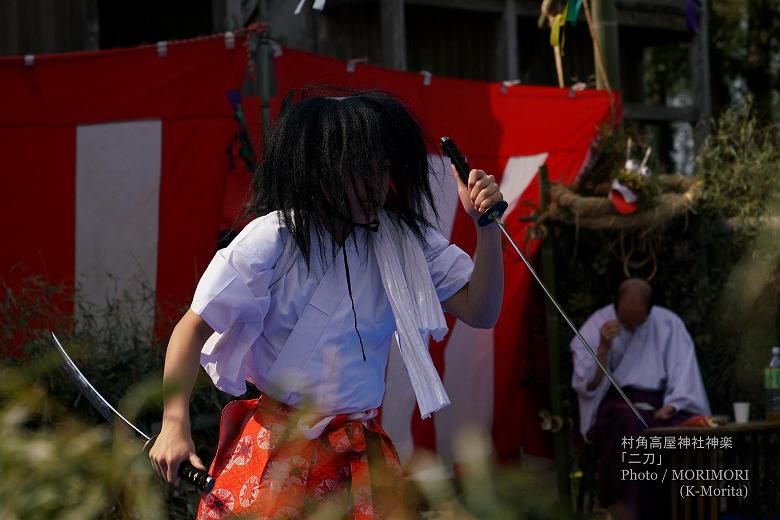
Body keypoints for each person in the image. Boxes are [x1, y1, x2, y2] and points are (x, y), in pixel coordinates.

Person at [148, 91, 505, 519]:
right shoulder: (272, 239)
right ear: (322, 173)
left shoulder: (403, 241)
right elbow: (192, 328)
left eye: (381, 168)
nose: (376, 184)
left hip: (361, 451)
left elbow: (481, 311)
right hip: (279, 448)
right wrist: (174, 424)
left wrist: (487, 228)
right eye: (360, 171)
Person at [570, 278, 710, 520]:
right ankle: (630, 510)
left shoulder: (668, 323)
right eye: (626, 321)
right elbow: (587, 385)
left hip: (660, 408)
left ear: (650, 310)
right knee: (631, 427)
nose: (632, 327)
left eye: (639, 321)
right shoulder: (597, 324)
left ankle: (687, 512)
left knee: (691, 433)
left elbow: (683, 373)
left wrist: (674, 404)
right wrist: (603, 347)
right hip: (618, 408)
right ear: (616, 308)